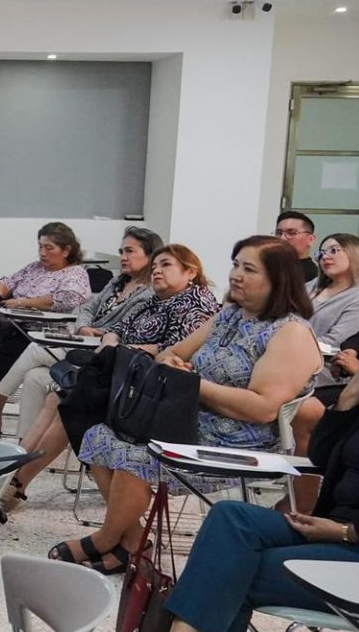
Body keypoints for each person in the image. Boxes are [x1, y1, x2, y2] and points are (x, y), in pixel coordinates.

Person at [116, 296, 359, 632]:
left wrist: (349, 529)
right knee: (231, 518)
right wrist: (351, 395)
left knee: (230, 573)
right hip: (338, 532)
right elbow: (326, 458)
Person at [50, 236, 320, 574]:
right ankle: (132, 542)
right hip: (189, 418)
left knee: (134, 456)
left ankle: (106, 538)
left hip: (238, 438)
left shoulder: (289, 332)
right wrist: (175, 368)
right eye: (235, 264)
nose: (235, 274)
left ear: (278, 279)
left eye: (248, 269)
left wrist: (193, 384)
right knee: (100, 432)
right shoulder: (229, 316)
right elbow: (169, 354)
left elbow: (261, 408)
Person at [0, 244, 219, 514]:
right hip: (125, 377)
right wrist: (112, 343)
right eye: (155, 266)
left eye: (166, 265)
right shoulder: (154, 300)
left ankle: (16, 479)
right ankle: (13, 475)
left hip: (154, 390)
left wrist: (123, 350)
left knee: (72, 407)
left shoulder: (195, 304)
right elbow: (116, 329)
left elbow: (172, 351)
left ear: (191, 272)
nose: (157, 271)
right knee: (57, 399)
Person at [0, 226, 160, 435]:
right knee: (33, 375)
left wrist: (21, 303)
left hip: (98, 352)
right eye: (121, 251)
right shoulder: (118, 282)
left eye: (129, 251)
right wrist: (84, 326)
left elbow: (121, 324)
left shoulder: (148, 293)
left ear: (150, 255)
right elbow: (88, 308)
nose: (122, 257)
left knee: (31, 349)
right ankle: (25, 450)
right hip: (77, 340)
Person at [283, 234, 359, 511]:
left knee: (305, 410)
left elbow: (339, 340)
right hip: (293, 362)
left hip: (327, 371)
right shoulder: (311, 286)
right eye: (323, 251)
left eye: (335, 250)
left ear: (356, 255)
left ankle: (303, 498)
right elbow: (278, 319)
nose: (326, 256)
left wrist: (290, 339)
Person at [0, 222, 92, 438]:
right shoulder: (34, 267)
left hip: (48, 334)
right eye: (40, 247)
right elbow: (7, 282)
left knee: (0, 346)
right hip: (15, 326)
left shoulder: (75, 274)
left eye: (49, 248)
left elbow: (65, 299)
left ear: (66, 250)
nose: (42, 253)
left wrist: (21, 303)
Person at [276, 210, 319, 283]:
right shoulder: (268, 267)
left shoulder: (313, 277)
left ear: (311, 239)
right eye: (279, 233)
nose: (282, 238)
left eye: (291, 232)